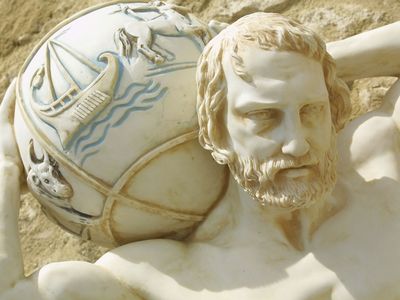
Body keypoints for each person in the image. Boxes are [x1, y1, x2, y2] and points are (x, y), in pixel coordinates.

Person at [1, 12, 400, 300]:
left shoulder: (382, 163)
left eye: (311, 110)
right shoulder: (164, 276)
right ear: (216, 130)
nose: (297, 143)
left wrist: (313, 65)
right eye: (263, 116)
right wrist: (5, 168)